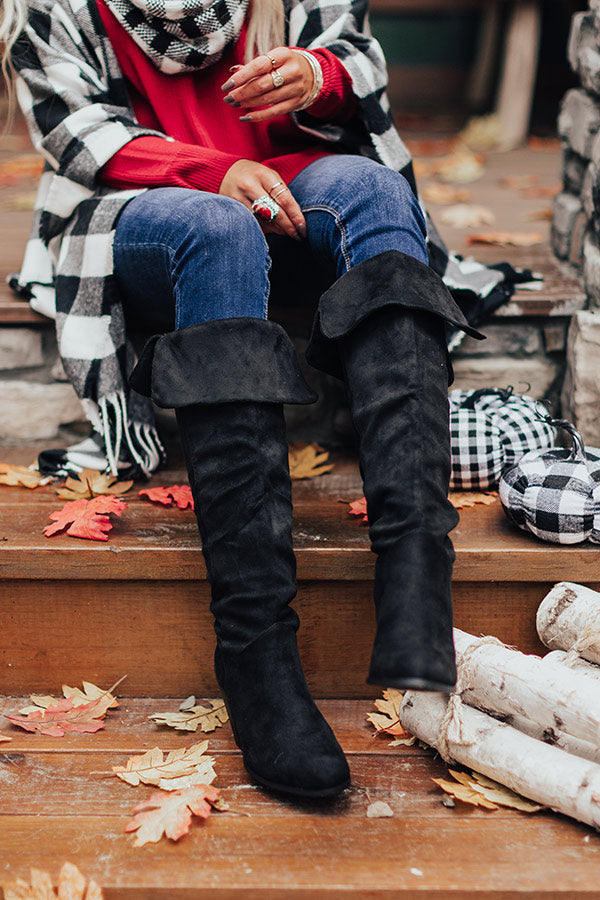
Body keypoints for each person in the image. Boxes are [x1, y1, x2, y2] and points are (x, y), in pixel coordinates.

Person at [2, 0, 484, 798]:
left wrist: (318, 76)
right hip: (143, 213)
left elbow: (358, 61)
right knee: (218, 227)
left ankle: (415, 571)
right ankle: (255, 646)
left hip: (292, 193)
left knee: (373, 192)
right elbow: (73, 133)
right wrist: (209, 169)